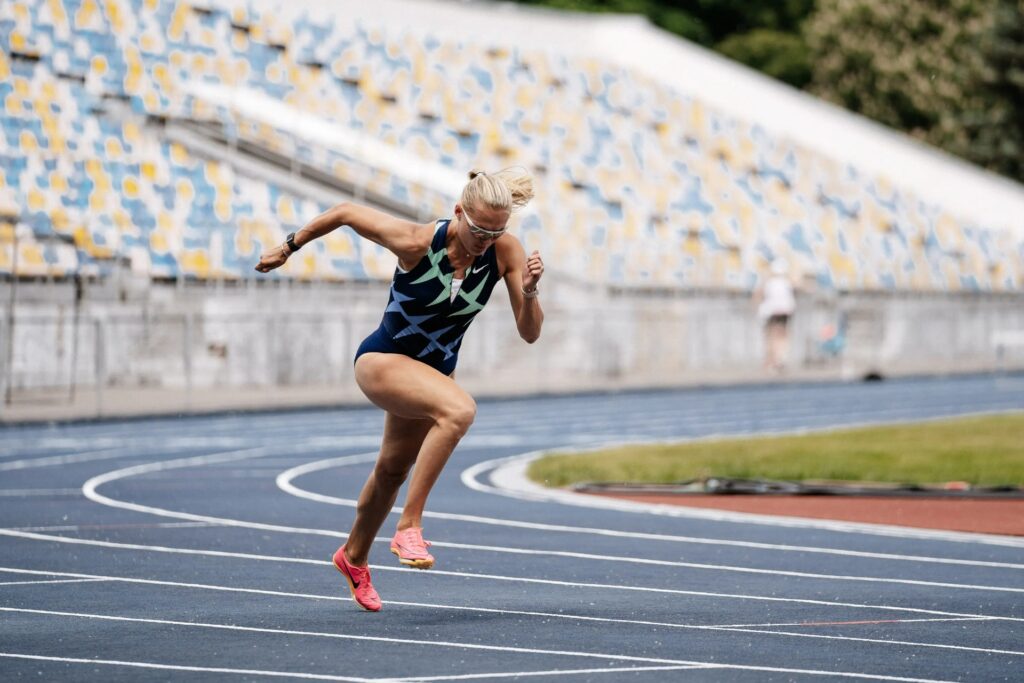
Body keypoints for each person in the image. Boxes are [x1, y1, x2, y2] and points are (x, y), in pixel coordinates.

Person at [255, 168, 544, 611]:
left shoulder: (505, 252)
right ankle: (409, 525)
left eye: (497, 230)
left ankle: (353, 557)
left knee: (392, 469)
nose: (487, 238)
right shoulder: (417, 241)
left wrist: (530, 292)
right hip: (383, 361)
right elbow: (347, 212)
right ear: (458, 213)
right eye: (480, 228)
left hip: (429, 375)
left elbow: (529, 334)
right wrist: (288, 246)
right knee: (459, 411)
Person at [754, 258, 796, 373]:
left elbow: (758, 294)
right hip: (784, 310)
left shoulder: (769, 282)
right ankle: (779, 359)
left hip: (772, 311)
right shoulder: (786, 281)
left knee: (772, 336)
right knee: (781, 335)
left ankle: (773, 360)